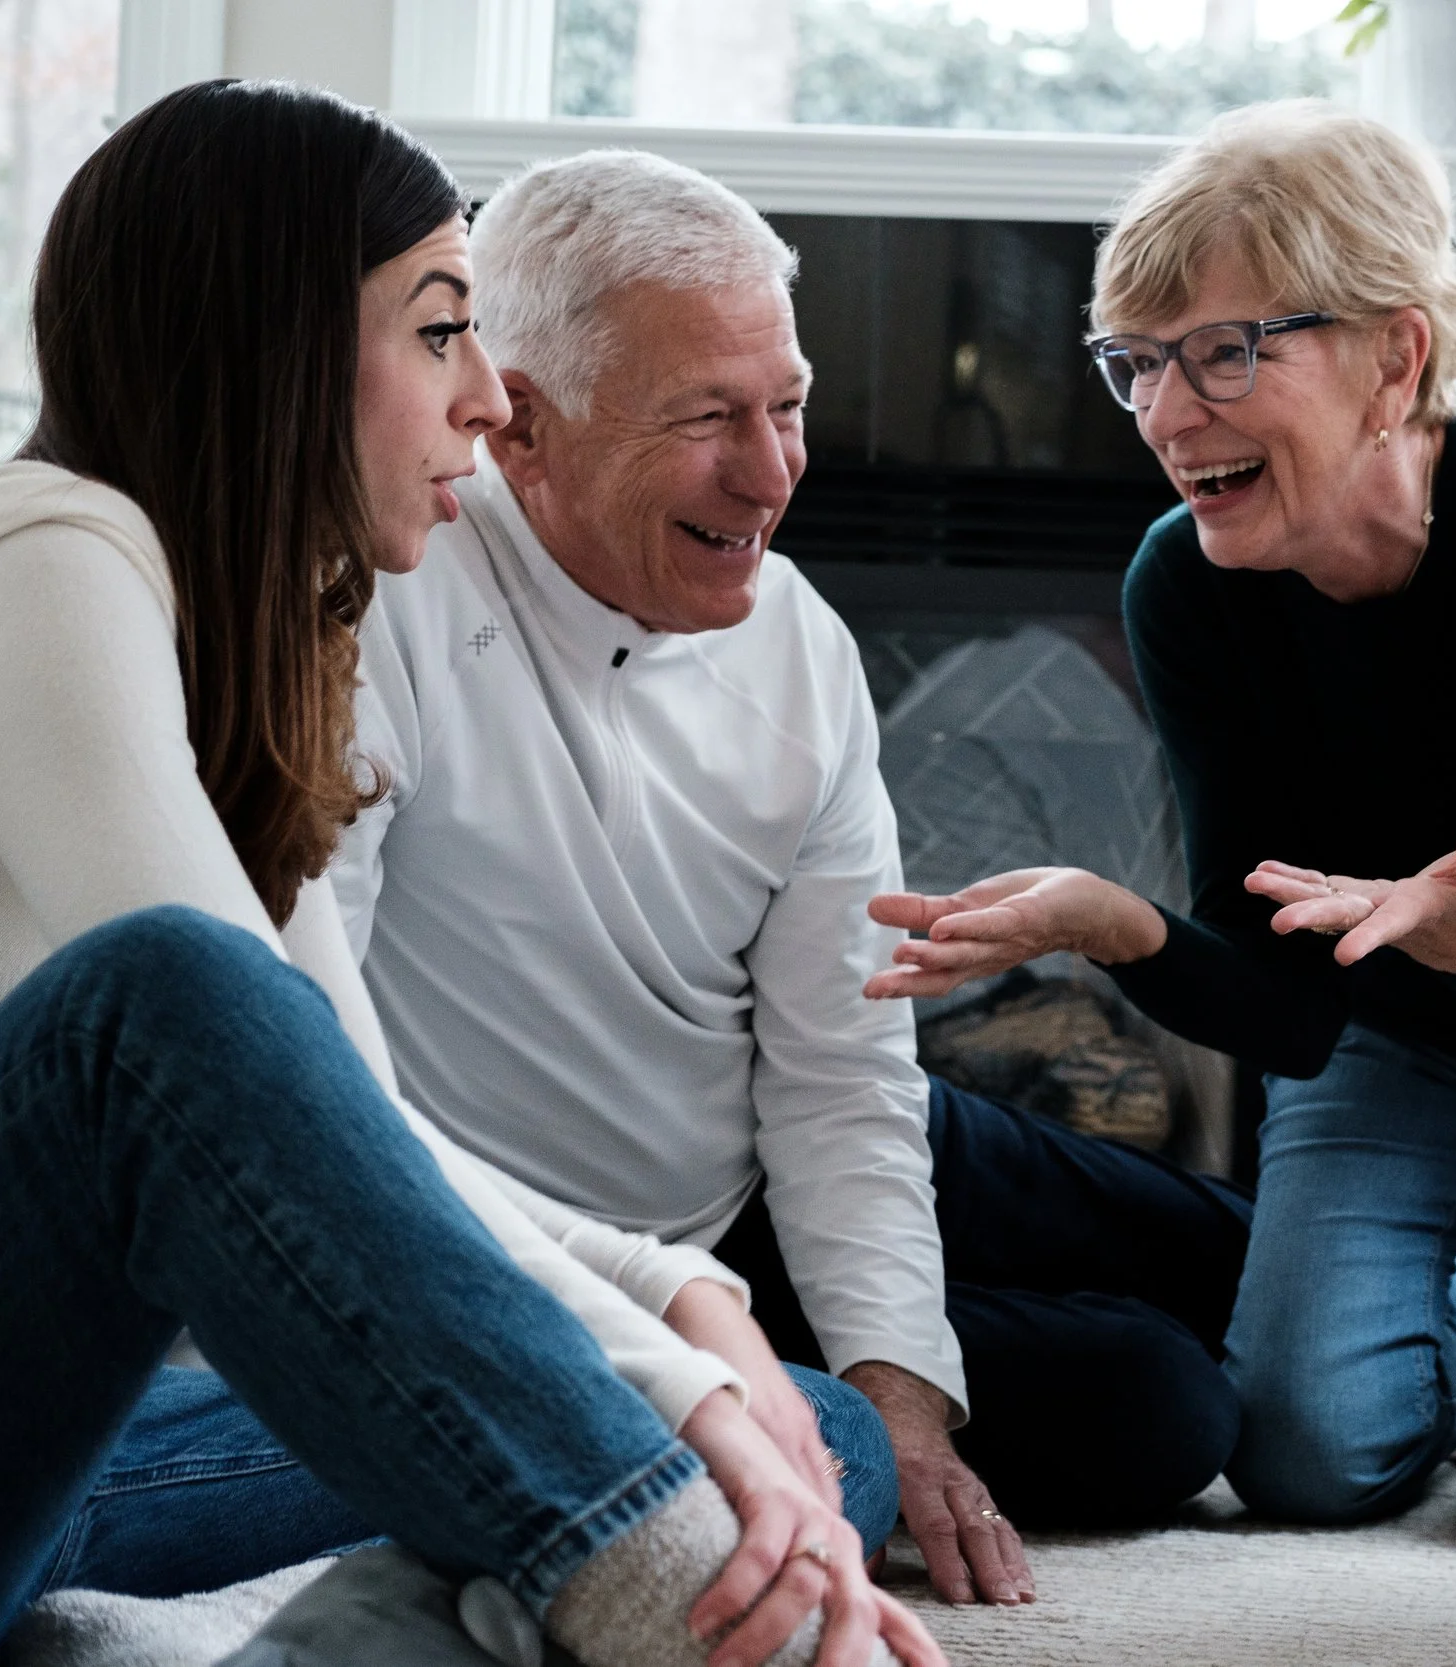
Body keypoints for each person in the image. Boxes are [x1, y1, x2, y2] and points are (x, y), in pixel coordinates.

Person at [0, 80, 938, 1667]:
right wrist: (664, 1382)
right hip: (75, 1408)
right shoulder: (44, 553)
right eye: (440, 331)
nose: (491, 399)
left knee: (808, 1434)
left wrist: (680, 1301)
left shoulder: (239, 653)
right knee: (175, 990)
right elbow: (228, 1071)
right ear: (271, 345)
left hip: (62, 1453)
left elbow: (347, 1104)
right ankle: (646, 1580)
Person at [321, 146, 1251, 1608]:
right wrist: (851, 1400)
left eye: (791, 404)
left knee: (1220, 1253)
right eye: (708, 419)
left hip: (776, 1122)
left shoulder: (802, 645)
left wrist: (908, 1401)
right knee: (1164, 1406)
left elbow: (840, 1073)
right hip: (582, 1255)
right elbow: (321, 1083)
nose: (773, 473)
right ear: (523, 431)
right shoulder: (379, 603)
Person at [865, 101, 1456, 1545]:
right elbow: (1283, 1005)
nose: (1166, 413)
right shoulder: (1185, 584)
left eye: (1228, 351)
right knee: (1304, 1454)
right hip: (1384, 1016)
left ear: (1396, 358)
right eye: (1137, 361)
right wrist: (1114, 924)